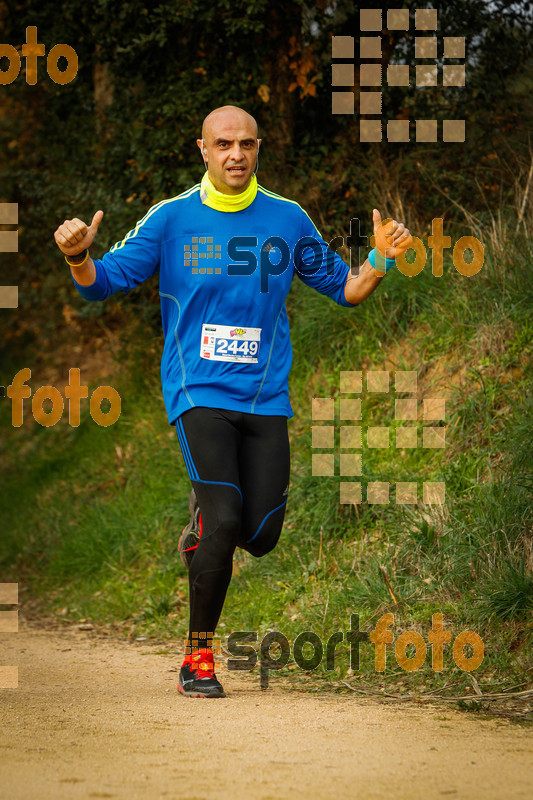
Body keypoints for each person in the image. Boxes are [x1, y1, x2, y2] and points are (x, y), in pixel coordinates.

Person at [54, 105, 412, 699]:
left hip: (266, 396)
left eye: (246, 144)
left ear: (259, 147)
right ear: (202, 149)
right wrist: (77, 256)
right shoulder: (172, 220)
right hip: (198, 392)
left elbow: (345, 290)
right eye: (223, 144)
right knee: (224, 520)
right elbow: (105, 282)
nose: (235, 155)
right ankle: (199, 657)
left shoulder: (288, 220)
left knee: (262, 532)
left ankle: (201, 534)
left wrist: (378, 259)